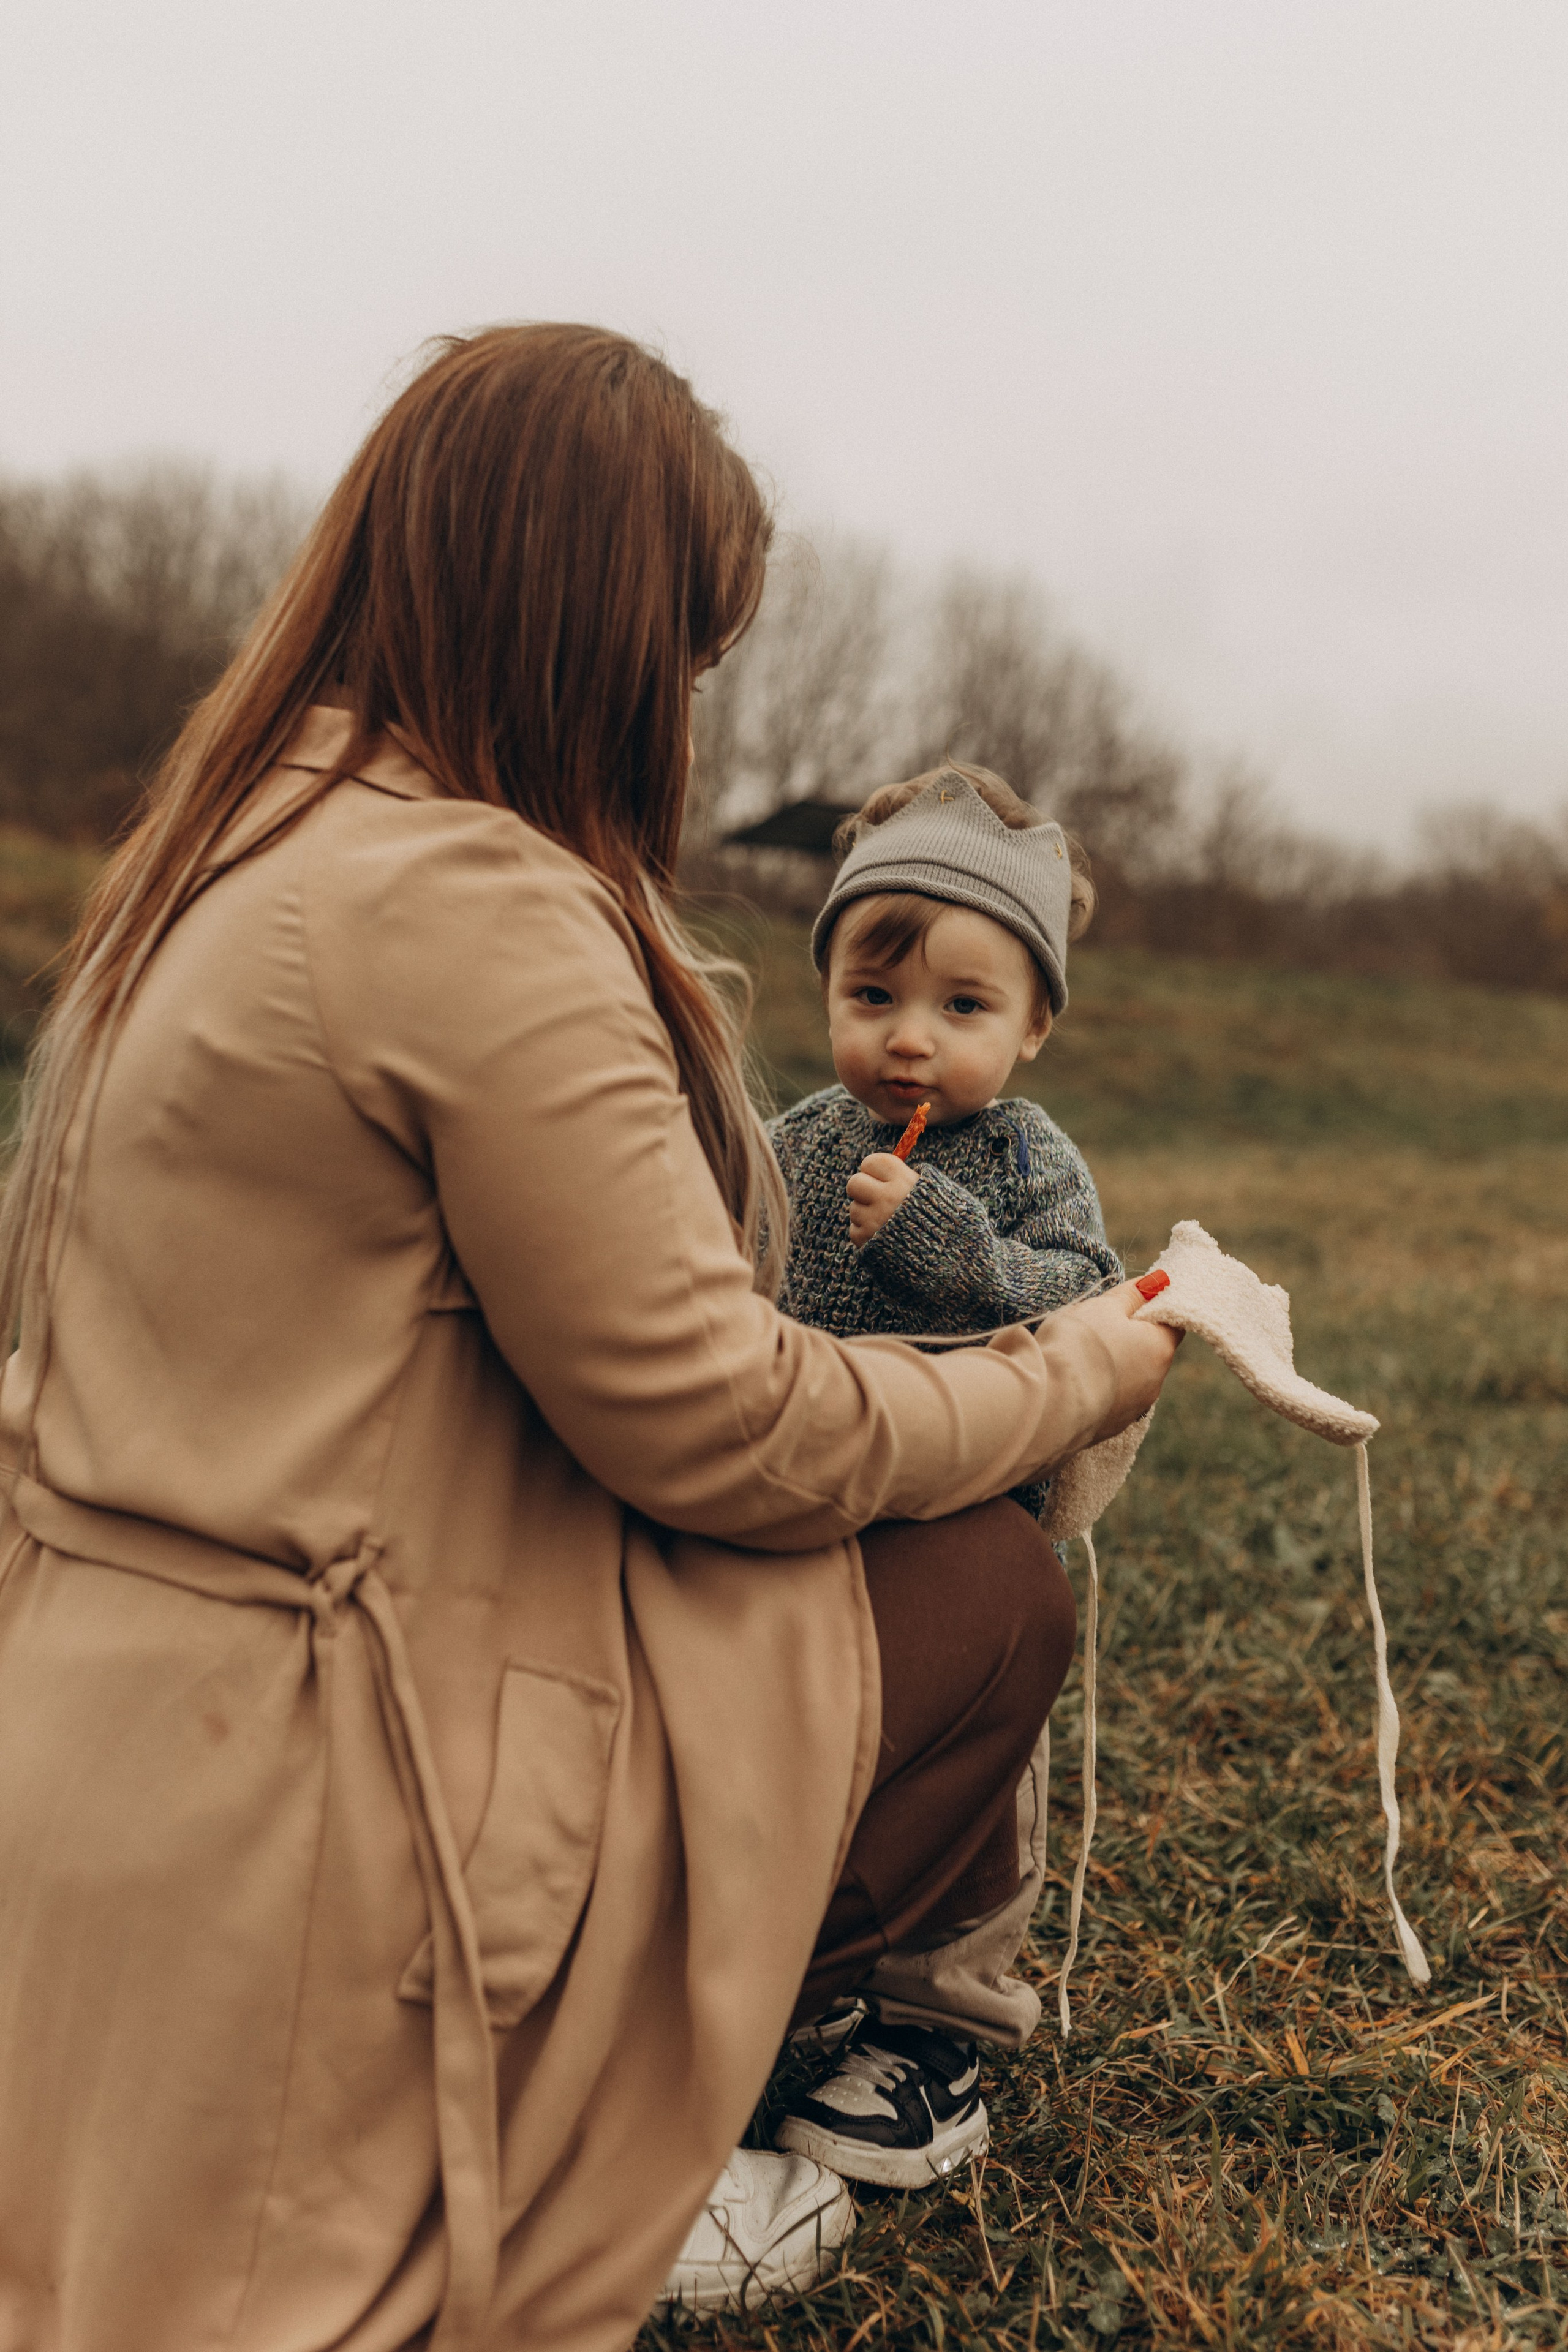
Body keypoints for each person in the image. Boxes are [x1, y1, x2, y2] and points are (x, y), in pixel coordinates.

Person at [0, 324, 1177, 2351]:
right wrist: (1078, 1369)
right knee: (987, 1582)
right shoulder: (470, 897)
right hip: (336, 1761)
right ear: (608, 627)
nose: (691, 707)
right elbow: (722, 1427)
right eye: (692, 653)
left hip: (111, 1709)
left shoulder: (222, 846)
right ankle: (637, 2115)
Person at [764, 764, 1118, 2187]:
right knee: (820, 1738)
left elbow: (1081, 1295)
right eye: (873, 998)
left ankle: (936, 2033)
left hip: (967, 1520)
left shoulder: (1026, 1158)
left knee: (982, 1768)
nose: (910, 1042)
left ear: (1031, 1026)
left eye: (962, 1009)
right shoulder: (794, 1142)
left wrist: (949, 1249)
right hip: (806, 1510)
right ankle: (787, 1969)